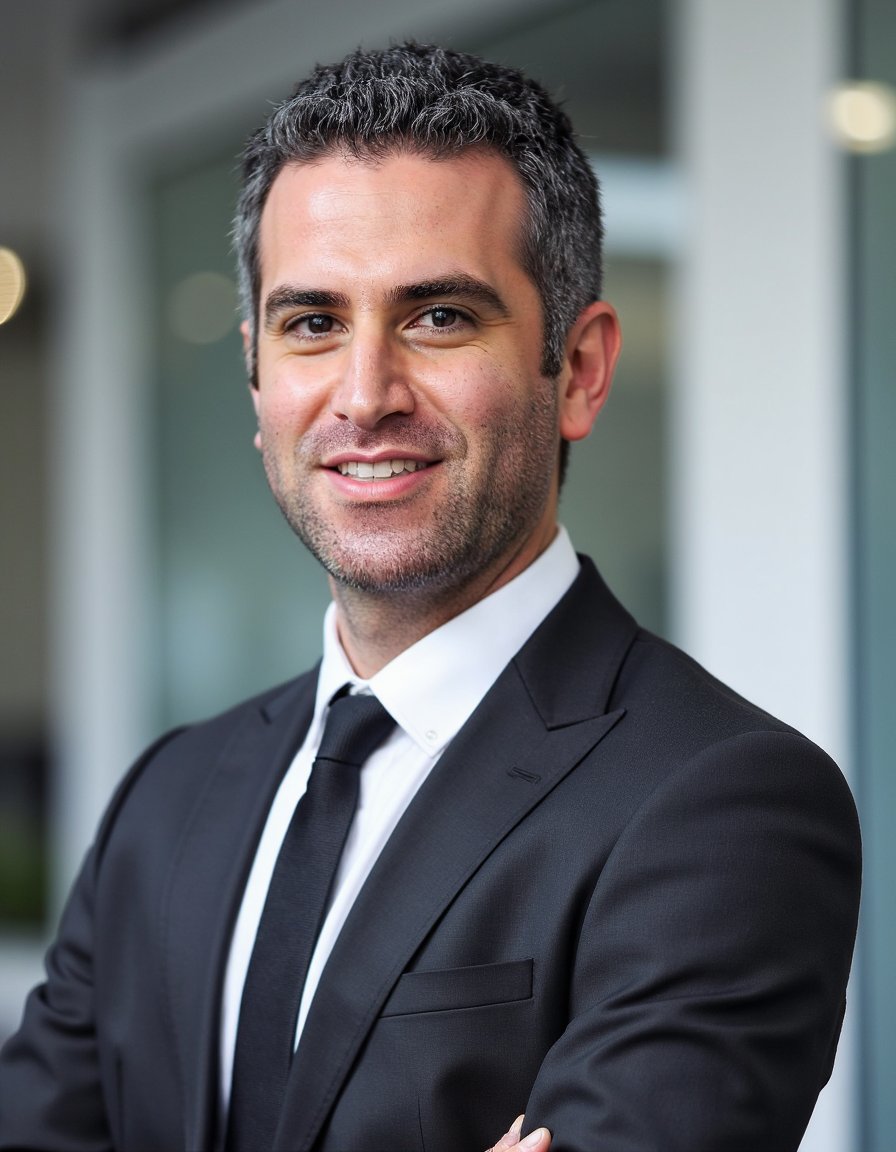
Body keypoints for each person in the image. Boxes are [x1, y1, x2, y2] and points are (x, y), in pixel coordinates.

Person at [0, 42, 860, 1152]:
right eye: (311, 323)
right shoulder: (169, 798)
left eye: (439, 317)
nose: (364, 397)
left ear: (579, 370)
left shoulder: (719, 805)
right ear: (258, 386)